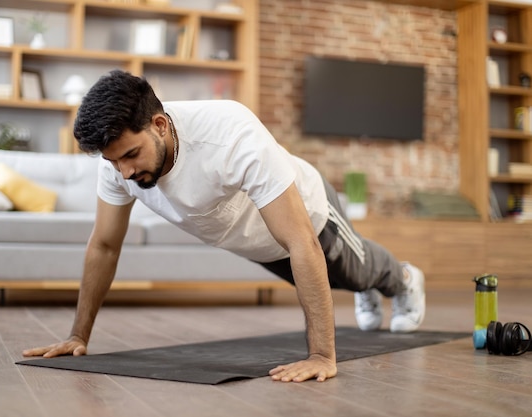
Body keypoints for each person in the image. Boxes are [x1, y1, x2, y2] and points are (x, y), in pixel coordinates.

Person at [23, 69, 425, 383]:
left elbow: (302, 241)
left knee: (355, 269)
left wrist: (321, 355)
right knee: (339, 280)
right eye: (113, 162)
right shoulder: (118, 165)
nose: (124, 173)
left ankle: (403, 278)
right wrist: (78, 336)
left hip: (309, 216)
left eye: (131, 155)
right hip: (257, 241)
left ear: (160, 125)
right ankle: (365, 287)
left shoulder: (229, 133)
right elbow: (105, 246)